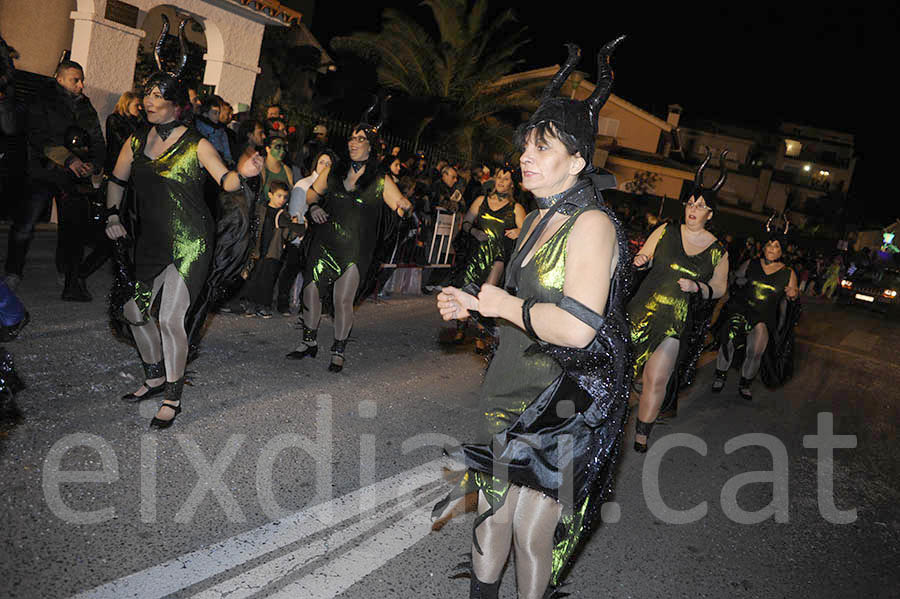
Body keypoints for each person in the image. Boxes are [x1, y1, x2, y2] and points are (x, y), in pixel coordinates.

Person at [436, 39, 630, 598]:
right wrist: (475, 308)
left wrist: (502, 304)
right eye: (526, 145)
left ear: (577, 160)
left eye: (542, 148)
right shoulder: (537, 219)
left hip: (566, 396)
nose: (525, 156)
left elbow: (577, 327)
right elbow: (518, 314)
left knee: (528, 531)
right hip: (510, 381)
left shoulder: (591, 223)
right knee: (494, 517)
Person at [104, 16, 262, 429]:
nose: (150, 99)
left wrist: (242, 173)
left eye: (159, 94)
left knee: (170, 318)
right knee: (133, 312)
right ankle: (154, 375)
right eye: (147, 92)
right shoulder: (136, 140)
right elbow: (117, 181)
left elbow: (224, 179)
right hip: (151, 240)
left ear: (176, 103)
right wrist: (111, 214)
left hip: (191, 240)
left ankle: (173, 394)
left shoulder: (197, 143)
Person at [286, 97, 412, 372]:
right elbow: (310, 194)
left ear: (371, 146)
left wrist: (405, 207)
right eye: (352, 138)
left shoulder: (381, 180)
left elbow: (399, 204)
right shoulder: (333, 170)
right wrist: (315, 206)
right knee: (310, 290)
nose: (353, 143)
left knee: (343, 299)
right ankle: (308, 342)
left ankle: (339, 348)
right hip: (325, 241)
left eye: (360, 139)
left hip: (356, 248)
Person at [628, 147, 730, 452]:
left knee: (656, 378)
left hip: (676, 321)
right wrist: (641, 259)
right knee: (621, 370)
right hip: (641, 310)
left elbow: (720, 288)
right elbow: (645, 256)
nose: (693, 208)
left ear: (710, 214)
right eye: (690, 203)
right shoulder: (666, 229)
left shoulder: (718, 250)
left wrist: (699, 287)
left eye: (700, 205)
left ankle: (642, 432)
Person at [6, 59, 105, 300]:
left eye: (82, 79)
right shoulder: (42, 100)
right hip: (42, 171)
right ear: (59, 78)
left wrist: (94, 164)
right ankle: (13, 271)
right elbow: (38, 136)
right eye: (75, 79)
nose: (81, 85)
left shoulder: (85, 106)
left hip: (72, 178)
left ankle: (67, 272)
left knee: (71, 230)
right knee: (25, 225)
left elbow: (97, 139)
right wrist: (69, 160)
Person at [713, 216, 799, 399]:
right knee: (728, 341)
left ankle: (745, 383)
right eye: (769, 245)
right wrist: (736, 281)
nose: (771, 250)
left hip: (763, 317)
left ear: (781, 251)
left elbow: (793, 297)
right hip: (741, 311)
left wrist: (793, 296)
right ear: (763, 247)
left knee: (756, 350)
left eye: (776, 247)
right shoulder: (751, 263)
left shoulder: (788, 273)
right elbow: (734, 281)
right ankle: (720, 376)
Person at [452, 165, 526, 348]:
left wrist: (519, 231)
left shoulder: (516, 208)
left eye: (506, 178)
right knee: (466, 287)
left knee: (488, 290)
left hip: (498, 256)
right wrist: (474, 231)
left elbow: (529, 231)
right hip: (475, 252)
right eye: (499, 177)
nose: (501, 181)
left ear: (512, 184)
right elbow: (466, 222)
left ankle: (481, 332)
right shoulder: (480, 201)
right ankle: (460, 326)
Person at [277, 149, 336, 315]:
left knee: (312, 274)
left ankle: (307, 305)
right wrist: (298, 233)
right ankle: (282, 302)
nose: (325, 166)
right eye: (322, 162)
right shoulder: (303, 184)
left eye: (329, 163)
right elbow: (296, 211)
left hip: (319, 238)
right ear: (316, 163)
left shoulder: (331, 187)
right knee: (291, 270)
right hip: (301, 235)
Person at [239, 180, 305, 317]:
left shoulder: (284, 215)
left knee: (267, 281)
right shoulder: (260, 209)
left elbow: (288, 235)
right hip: (257, 250)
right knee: (254, 278)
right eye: (279, 196)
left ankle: (263, 306)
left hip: (273, 252)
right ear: (270, 195)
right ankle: (250, 305)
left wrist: (296, 226)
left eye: (285, 197)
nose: (282, 200)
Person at [104, 91, 143, 173]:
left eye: (141, 105)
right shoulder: (114, 119)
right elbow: (122, 140)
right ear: (127, 104)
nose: (140, 108)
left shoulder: (137, 121)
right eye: (137, 105)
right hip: (116, 162)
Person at [194, 95, 232, 165]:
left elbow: (226, 148)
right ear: (206, 114)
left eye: (219, 113)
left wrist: (227, 159)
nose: (217, 116)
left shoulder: (221, 131)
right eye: (215, 113)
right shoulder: (199, 127)